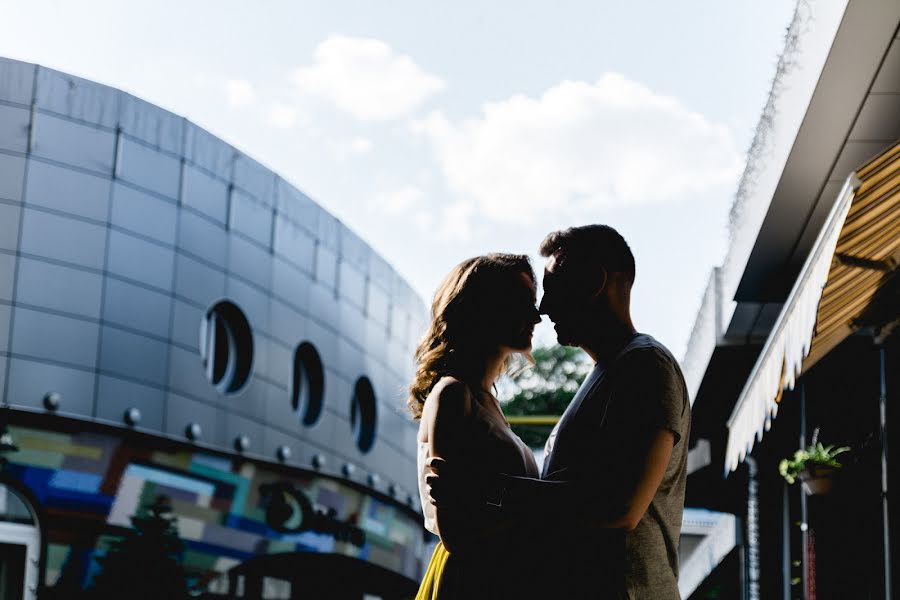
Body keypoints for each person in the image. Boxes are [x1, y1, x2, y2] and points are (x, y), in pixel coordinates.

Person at [426, 225, 691, 599]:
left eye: (553, 288)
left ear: (596, 281)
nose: (543, 309)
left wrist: (491, 489)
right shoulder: (611, 374)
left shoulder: (644, 366)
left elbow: (622, 506)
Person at [410, 253, 543, 599]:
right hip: (472, 582)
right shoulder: (454, 395)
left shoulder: (485, 402)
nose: (536, 316)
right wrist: (539, 509)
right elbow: (455, 530)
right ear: (482, 308)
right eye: (520, 303)